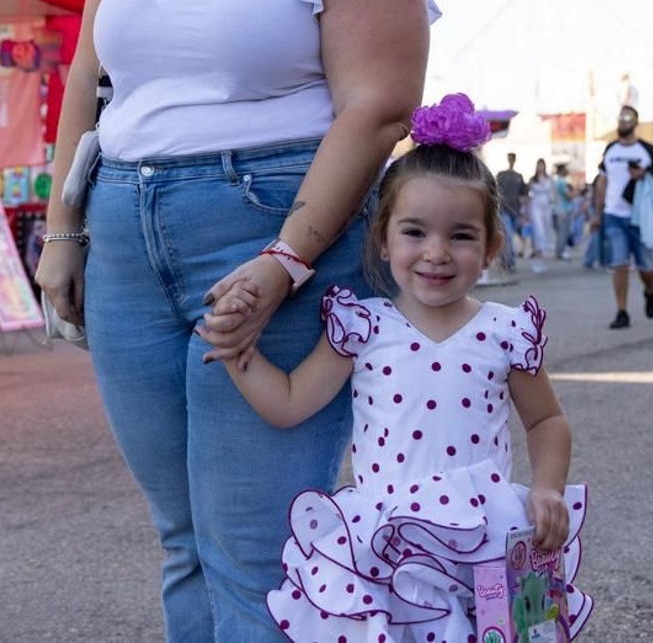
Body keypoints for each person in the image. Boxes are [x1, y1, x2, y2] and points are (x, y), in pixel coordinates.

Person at [34, 0, 436, 640]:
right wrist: (63, 233)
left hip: (276, 226)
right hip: (125, 232)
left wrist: (284, 262)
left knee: (256, 547)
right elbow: (88, 81)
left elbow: (378, 109)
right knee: (181, 536)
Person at [204, 97, 591, 641]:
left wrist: (547, 487)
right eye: (415, 232)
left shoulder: (506, 332)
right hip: (388, 541)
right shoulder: (363, 328)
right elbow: (291, 402)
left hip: (490, 536)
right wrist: (240, 356)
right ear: (383, 240)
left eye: (460, 236)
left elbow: (546, 422)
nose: (436, 252)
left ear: (490, 248)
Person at [588, 105, 653, 329]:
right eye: (620, 118)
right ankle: (622, 311)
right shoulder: (610, 149)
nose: (622, 121)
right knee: (618, 263)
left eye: (627, 118)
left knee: (645, 265)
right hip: (614, 215)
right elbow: (602, 182)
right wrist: (597, 214)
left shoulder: (646, 149)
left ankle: (650, 291)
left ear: (636, 122)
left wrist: (644, 173)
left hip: (640, 217)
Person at [496, 152, 526, 273]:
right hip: (504, 209)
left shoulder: (519, 176)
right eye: (510, 158)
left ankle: (505, 259)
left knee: (510, 236)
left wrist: (524, 212)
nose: (511, 160)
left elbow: (524, 195)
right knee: (508, 235)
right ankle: (509, 261)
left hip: (516, 210)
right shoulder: (501, 175)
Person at [527, 158, 556, 273]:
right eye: (539, 165)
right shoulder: (532, 180)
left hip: (547, 208)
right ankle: (536, 260)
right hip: (535, 207)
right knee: (538, 232)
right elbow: (528, 195)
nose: (540, 167)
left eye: (542, 165)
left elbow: (553, 194)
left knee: (546, 233)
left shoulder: (549, 179)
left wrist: (555, 207)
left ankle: (541, 260)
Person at [552, 162, 576, 259]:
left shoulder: (557, 181)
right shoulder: (561, 182)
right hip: (563, 211)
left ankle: (559, 251)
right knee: (563, 232)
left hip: (560, 210)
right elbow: (569, 196)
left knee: (562, 232)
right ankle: (560, 252)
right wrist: (575, 192)